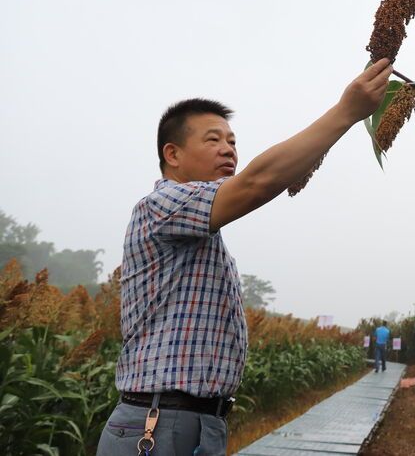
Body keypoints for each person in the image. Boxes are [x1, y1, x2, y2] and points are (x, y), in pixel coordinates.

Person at [97, 58, 392, 456]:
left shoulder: (199, 230)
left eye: (233, 142)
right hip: (158, 424)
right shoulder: (161, 206)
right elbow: (257, 183)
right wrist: (346, 112)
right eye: (213, 140)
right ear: (173, 154)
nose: (228, 150)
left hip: (193, 423)